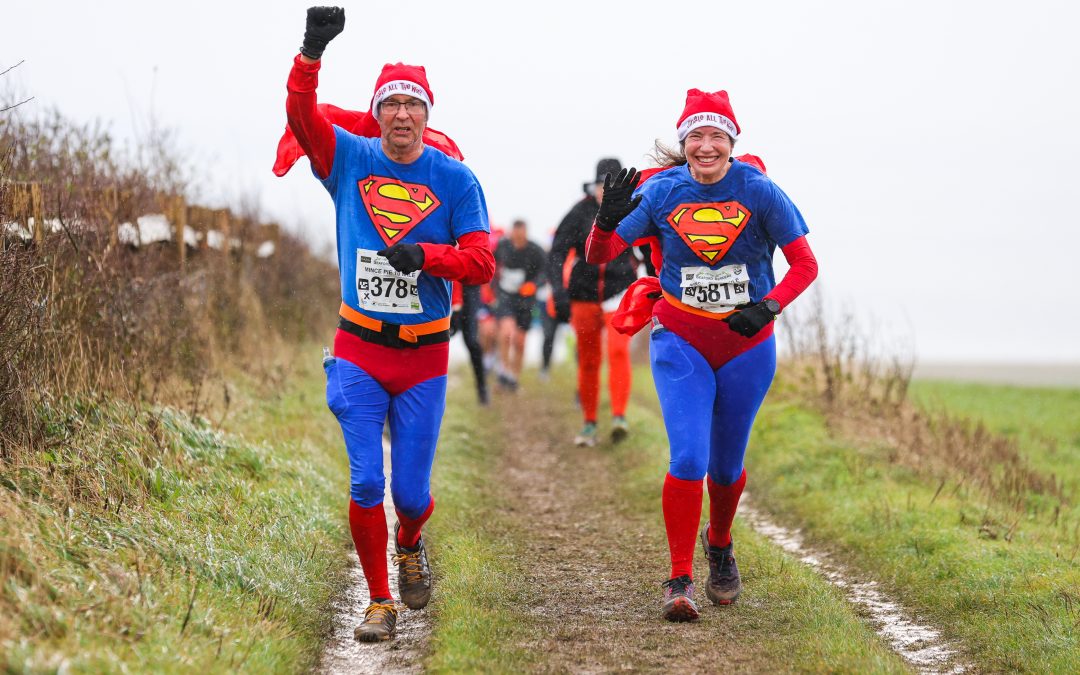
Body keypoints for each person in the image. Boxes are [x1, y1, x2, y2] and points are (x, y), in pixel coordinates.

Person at [280, 7, 494, 642]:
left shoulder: (456, 180)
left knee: (411, 493)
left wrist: (426, 256)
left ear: (428, 115)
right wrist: (310, 55)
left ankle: (411, 542)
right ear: (377, 113)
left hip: (424, 356)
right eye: (391, 103)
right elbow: (300, 118)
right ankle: (378, 602)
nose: (402, 114)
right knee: (365, 478)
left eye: (413, 104)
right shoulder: (347, 159)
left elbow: (481, 262)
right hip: (359, 349)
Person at [584, 89, 818, 622]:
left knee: (726, 467)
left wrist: (768, 307)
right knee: (688, 458)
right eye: (697, 136)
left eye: (717, 136)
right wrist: (606, 219)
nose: (706, 146)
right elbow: (602, 256)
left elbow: (805, 264)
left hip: (746, 345)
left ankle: (720, 543)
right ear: (684, 142)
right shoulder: (663, 190)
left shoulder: (759, 191)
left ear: (732, 143)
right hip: (680, 338)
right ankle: (679, 577)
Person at [548, 159, 643, 446]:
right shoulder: (580, 212)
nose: (606, 191)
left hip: (619, 293)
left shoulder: (635, 208)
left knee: (617, 352)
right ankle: (589, 423)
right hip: (583, 295)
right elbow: (556, 252)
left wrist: (658, 287)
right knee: (589, 360)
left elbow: (652, 248)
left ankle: (619, 417)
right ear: (594, 186)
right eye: (602, 185)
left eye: (611, 185)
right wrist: (558, 292)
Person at [493, 219, 546, 391]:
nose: (517, 239)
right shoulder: (503, 246)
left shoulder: (535, 251)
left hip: (525, 300)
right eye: (514, 236)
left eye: (521, 236)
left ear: (526, 233)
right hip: (506, 296)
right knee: (506, 332)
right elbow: (490, 265)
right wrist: (491, 287)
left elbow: (545, 273)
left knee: (520, 341)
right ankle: (504, 370)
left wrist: (534, 285)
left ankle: (514, 377)